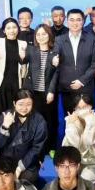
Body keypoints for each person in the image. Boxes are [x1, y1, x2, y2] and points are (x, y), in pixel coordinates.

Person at [0, 91, 48, 187]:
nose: (24, 108)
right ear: (14, 103)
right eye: (21, 104)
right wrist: (5, 126)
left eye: (28, 104)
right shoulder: (6, 116)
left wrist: (20, 168)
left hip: (27, 161)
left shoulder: (39, 121)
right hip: (5, 159)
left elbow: (37, 148)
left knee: (28, 178)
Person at [54, 9, 95, 113]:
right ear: (67, 21)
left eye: (78, 20)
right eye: (72, 20)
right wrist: (53, 60)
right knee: (70, 119)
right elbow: (54, 57)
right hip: (67, 88)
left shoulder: (91, 39)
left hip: (86, 87)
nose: (75, 23)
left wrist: (81, 81)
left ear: (83, 21)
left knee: (88, 120)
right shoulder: (59, 40)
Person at [0, 18, 29, 122]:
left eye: (14, 27)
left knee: (13, 115)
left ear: (18, 29)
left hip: (15, 84)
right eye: (8, 28)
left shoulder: (23, 44)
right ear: (4, 31)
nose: (12, 30)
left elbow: (24, 68)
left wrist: (23, 59)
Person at [25, 24, 60, 152]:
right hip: (34, 93)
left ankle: (51, 147)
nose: (41, 37)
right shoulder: (31, 50)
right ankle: (38, 148)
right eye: (38, 34)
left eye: (44, 34)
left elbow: (56, 74)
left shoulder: (55, 51)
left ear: (49, 35)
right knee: (35, 122)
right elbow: (22, 61)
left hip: (49, 92)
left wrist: (51, 91)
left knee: (51, 121)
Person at [61, 93, 95, 183]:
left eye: (85, 107)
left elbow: (88, 141)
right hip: (73, 160)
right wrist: (71, 125)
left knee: (85, 180)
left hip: (91, 161)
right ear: (74, 109)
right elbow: (74, 145)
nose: (82, 110)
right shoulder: (70, 119)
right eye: (78, 108)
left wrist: (89, 122)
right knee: (68, 180)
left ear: (91, 106)